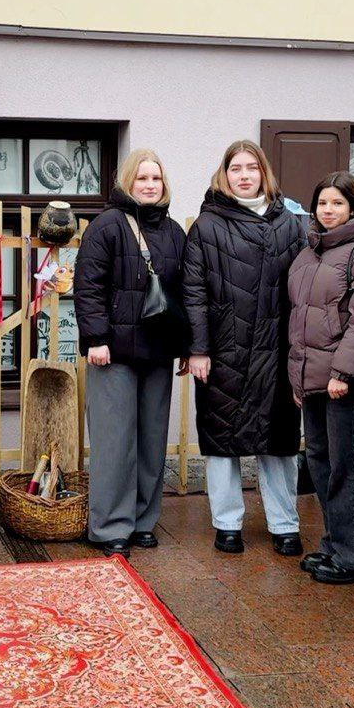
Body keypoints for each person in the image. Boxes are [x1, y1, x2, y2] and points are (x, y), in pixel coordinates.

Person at [183, 140, 304, 555]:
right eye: (236, 168)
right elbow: (194, 292)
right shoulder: (207, 226)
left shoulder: (291, 225)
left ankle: (285, 524)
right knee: (221, 441)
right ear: (225, 174)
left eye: (252, 167)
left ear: (263, 173)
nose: (245, 175)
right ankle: (227, 523)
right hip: (224, 351)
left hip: (278, 351)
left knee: (279, 443)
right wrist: (198, 349)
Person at [74, 149, 188, 559]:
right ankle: (110, 526)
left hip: (158, 351)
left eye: (156, 178)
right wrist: (96, 338)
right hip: (114, 352)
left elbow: (186, 293)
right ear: (127, 182)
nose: (150, 185)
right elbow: (88, 286)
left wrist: (186, 346)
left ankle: (142, 521)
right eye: (142, 178)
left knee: (151, 440)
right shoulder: (106, 226)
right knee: (114, 442)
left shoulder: (174, 232)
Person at [287, 172, 354, 584]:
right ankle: (335, 544)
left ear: (353, 207)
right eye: (323, 203)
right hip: (312, 378)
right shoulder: (310, 252)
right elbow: (299, 318)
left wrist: (343, 371)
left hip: (342, 381)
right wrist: (298, 378)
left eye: (337, 203)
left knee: (347, 466)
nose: (328, 210)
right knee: (321, 462)